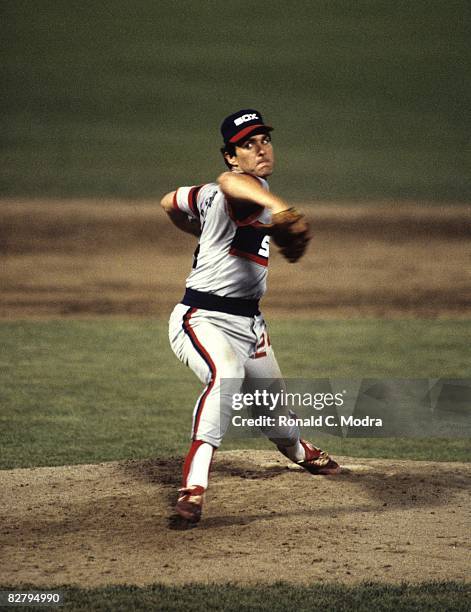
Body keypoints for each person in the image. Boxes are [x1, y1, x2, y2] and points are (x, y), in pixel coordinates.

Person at [161, 109, 340, 523]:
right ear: (230, 156)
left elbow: (169, 201)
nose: (260, 148)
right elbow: (231, 184)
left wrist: (199, 230)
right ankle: (194, 486)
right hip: (202, 317)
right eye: (247, 144)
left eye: (265, 140)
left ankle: (299, 451)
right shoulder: (239, 187)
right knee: (225, 375)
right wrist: (283, 209)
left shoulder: (211, 194)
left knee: (272, 410)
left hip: (250, 326)